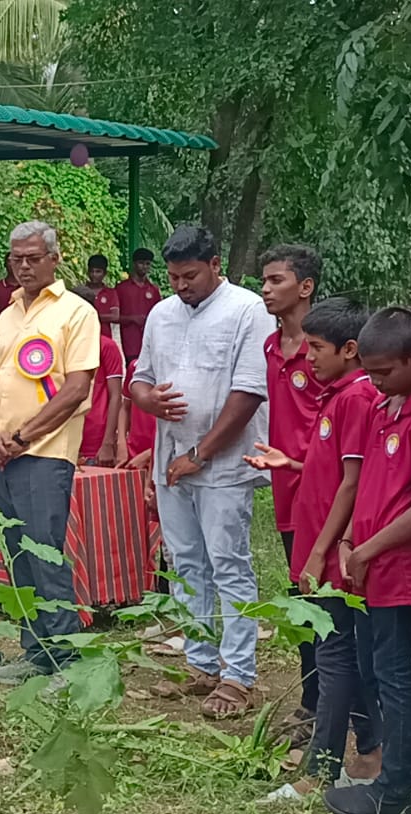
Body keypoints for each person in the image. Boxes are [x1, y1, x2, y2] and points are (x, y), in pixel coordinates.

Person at [130, 225, 270, 718]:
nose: (181, 285)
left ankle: (237, 675)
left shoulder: (247, 311)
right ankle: (200, 661)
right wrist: (148, 400)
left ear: (215, 265)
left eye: (190, 275)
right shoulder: (161, 314)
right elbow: (139, 380)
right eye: (173, 277)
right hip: (172, 460)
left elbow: (249, 391)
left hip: (225, 465)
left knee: (227, 564)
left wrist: (203, 453)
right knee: (186, 563)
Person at [323, 307, 411, 814]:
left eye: (383, 372)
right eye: (370, 373)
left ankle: (396, 786)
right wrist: (350, 538)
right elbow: (369, 485)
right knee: (378, 669)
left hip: (399, 567)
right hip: (369, 562)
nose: (374, 382)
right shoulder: (385, 410)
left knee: (393, 675)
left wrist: (370, 547)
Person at [249, 298, 383, 800]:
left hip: (331, 555)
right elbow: (333, 472)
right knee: (342, 655)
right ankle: (369, 751)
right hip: (321, 546)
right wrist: (295, 463)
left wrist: (318, 552)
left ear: (350, 350)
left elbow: (352, 484)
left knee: (332, 658)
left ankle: (320, 770)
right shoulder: (338, 395)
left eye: (318, 349)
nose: (308, 359)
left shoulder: (355, 398)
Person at [0, 220, 100, 685]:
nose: (24, 266)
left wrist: (21, 438)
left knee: (44, 552)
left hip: (45, 453)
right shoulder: (8, 314)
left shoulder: (75, 312)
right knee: (16, 555)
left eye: (33, 258)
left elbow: (75, 388)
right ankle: (35, 651)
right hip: (0, 455)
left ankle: (67, 659)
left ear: (54, 258)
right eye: (16, 258)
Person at [259, 243, 328, 732]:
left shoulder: (325, 351)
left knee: (327, 596)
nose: (266, 289)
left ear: (305, 288)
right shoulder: (269, 345)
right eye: (264, 281)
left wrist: (307, 463)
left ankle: (330, 706)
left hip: (323, 487)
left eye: (277, 281)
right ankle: (312, 700)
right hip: (285, 488)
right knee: (300, 592)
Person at [80, 333, 125, 466]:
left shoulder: (105, 345)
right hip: (68, 439)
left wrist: (108, 443)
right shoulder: (62, 343)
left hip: (96, 440)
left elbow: (116, 396)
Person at [114, 248, 159, 362]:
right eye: (141, 263)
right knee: (131, 368)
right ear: (134, 264)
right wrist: (132, 319)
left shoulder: (154, 289)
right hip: (130, 340)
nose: (144, 266)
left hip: (150, 340)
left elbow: (159, 315)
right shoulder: (121, 288)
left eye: (147, 264)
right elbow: (114, 316)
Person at [0, 254, 20, 319]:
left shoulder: (28, 288)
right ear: (4, 264)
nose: (12, 264)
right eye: (9, 261)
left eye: (16, 261)